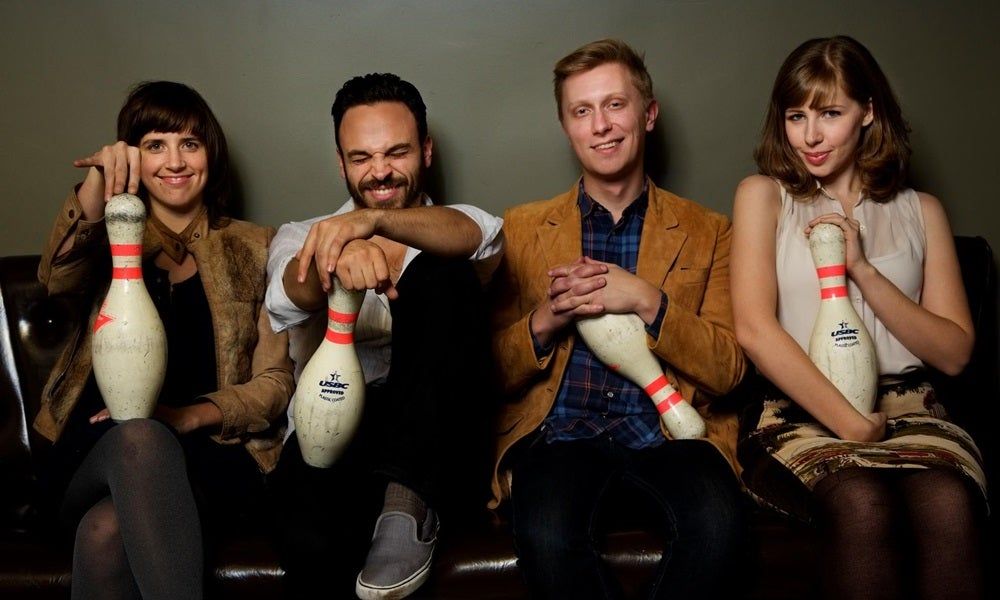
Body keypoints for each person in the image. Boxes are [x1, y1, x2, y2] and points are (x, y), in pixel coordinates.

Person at [489, 39, 747, 599]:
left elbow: (729, 369)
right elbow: (491, 372)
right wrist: (547, 318)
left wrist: (649, 301)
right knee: (547, 536)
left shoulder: (710, 230)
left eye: (615, 105)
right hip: (561, 434)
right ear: (566, 127)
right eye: (582, 111)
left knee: (718, 529)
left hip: (669, 434)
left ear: (647, 114)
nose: (601, 125)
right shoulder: (521, 227)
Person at [731, 35, 988, 599]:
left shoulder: (921, 210)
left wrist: (864, 270)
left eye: (830, 114)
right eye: (796, 116)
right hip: (800, 412)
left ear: (868, 112)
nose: (810, 136)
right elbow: (753, 329)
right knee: (861, 503)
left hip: (910, 410)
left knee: (948, 504)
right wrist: (847, 421)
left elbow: (954, 353)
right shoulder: (763, 196)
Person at [34, 81, 294, 599]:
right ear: (133, 156)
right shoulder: (107, 235)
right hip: (92, 447)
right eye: (155, 145)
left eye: (189, 144)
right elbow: (56, 281)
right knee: (138, 438)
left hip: (209, 456)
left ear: (210, 153)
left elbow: (275, 383)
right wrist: (100, 180)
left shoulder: (257, 245)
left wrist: (185, 416)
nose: (175, 162)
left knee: (105, 530)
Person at [264, 72, 503, 599]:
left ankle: (408, 500)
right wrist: (335, 256)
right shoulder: (299, 235)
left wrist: (373, 224)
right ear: (341, 162)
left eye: (397, 152)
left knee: (443, 270)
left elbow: (478, 237)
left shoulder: (456, 225)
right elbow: (289, 292)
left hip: (438, 452)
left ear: (426, 151)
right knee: (306, 534)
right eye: (361, 157)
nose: (380, 171)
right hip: (337, 440)